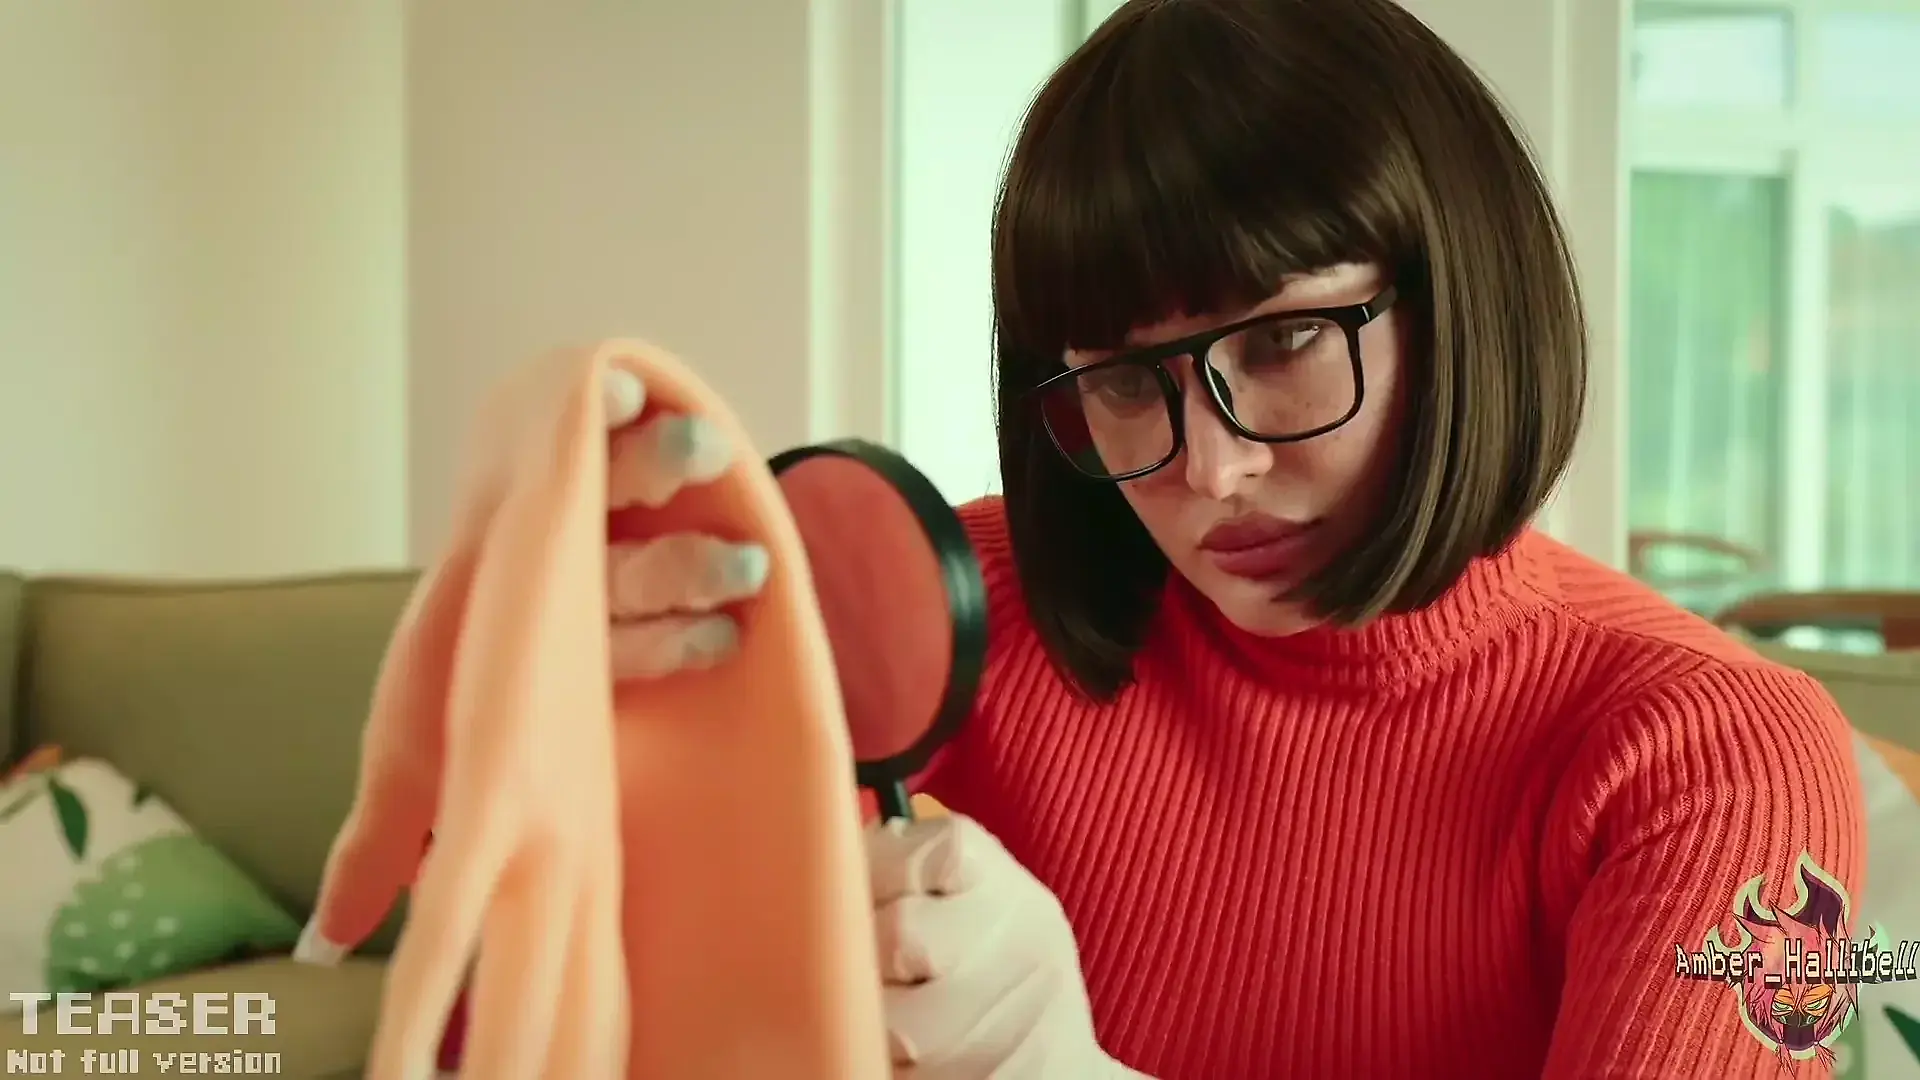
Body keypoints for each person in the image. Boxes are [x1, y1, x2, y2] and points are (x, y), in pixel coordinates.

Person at [584, 1, 1860, 1078]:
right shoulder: (914, 607)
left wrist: (1065, 1067)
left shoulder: (1726, 762)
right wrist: (547, 700)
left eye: (1286, 339)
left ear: (1463, 299)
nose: (1212, 468)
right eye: (1122, 380)